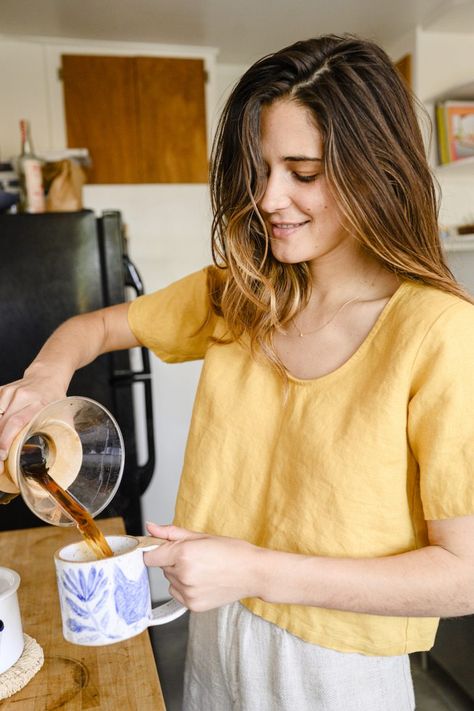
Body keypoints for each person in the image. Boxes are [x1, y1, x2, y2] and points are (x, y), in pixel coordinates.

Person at [1, 33, 474, 711]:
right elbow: (93, 328)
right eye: (259, 169)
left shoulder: (440, 333)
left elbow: (463, 577)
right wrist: (47, 376)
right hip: (216, 637)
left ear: (376, 170)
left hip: (337, 671)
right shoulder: (241, 294)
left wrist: (253, 569)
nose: (267, 197)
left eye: (302, 172)